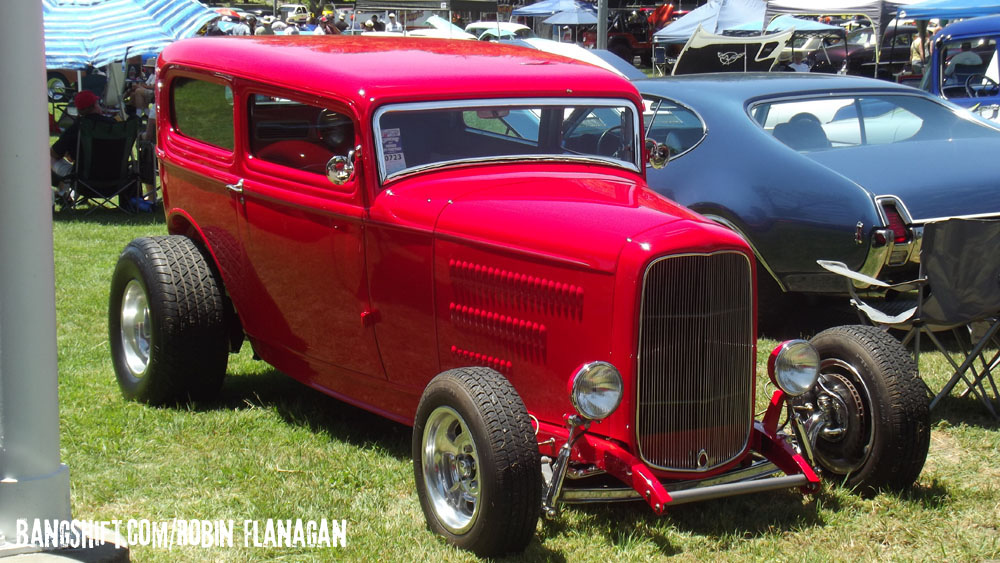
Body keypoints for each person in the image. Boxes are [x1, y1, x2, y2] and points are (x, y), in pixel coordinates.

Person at [50, 90, 116, 189]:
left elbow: (54, 153)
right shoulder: (113, 125)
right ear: (95, 105)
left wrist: (70, 152)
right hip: (115, 180)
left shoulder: (76, 128)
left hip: (83, 181)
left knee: (46, 157)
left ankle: (62, 187)